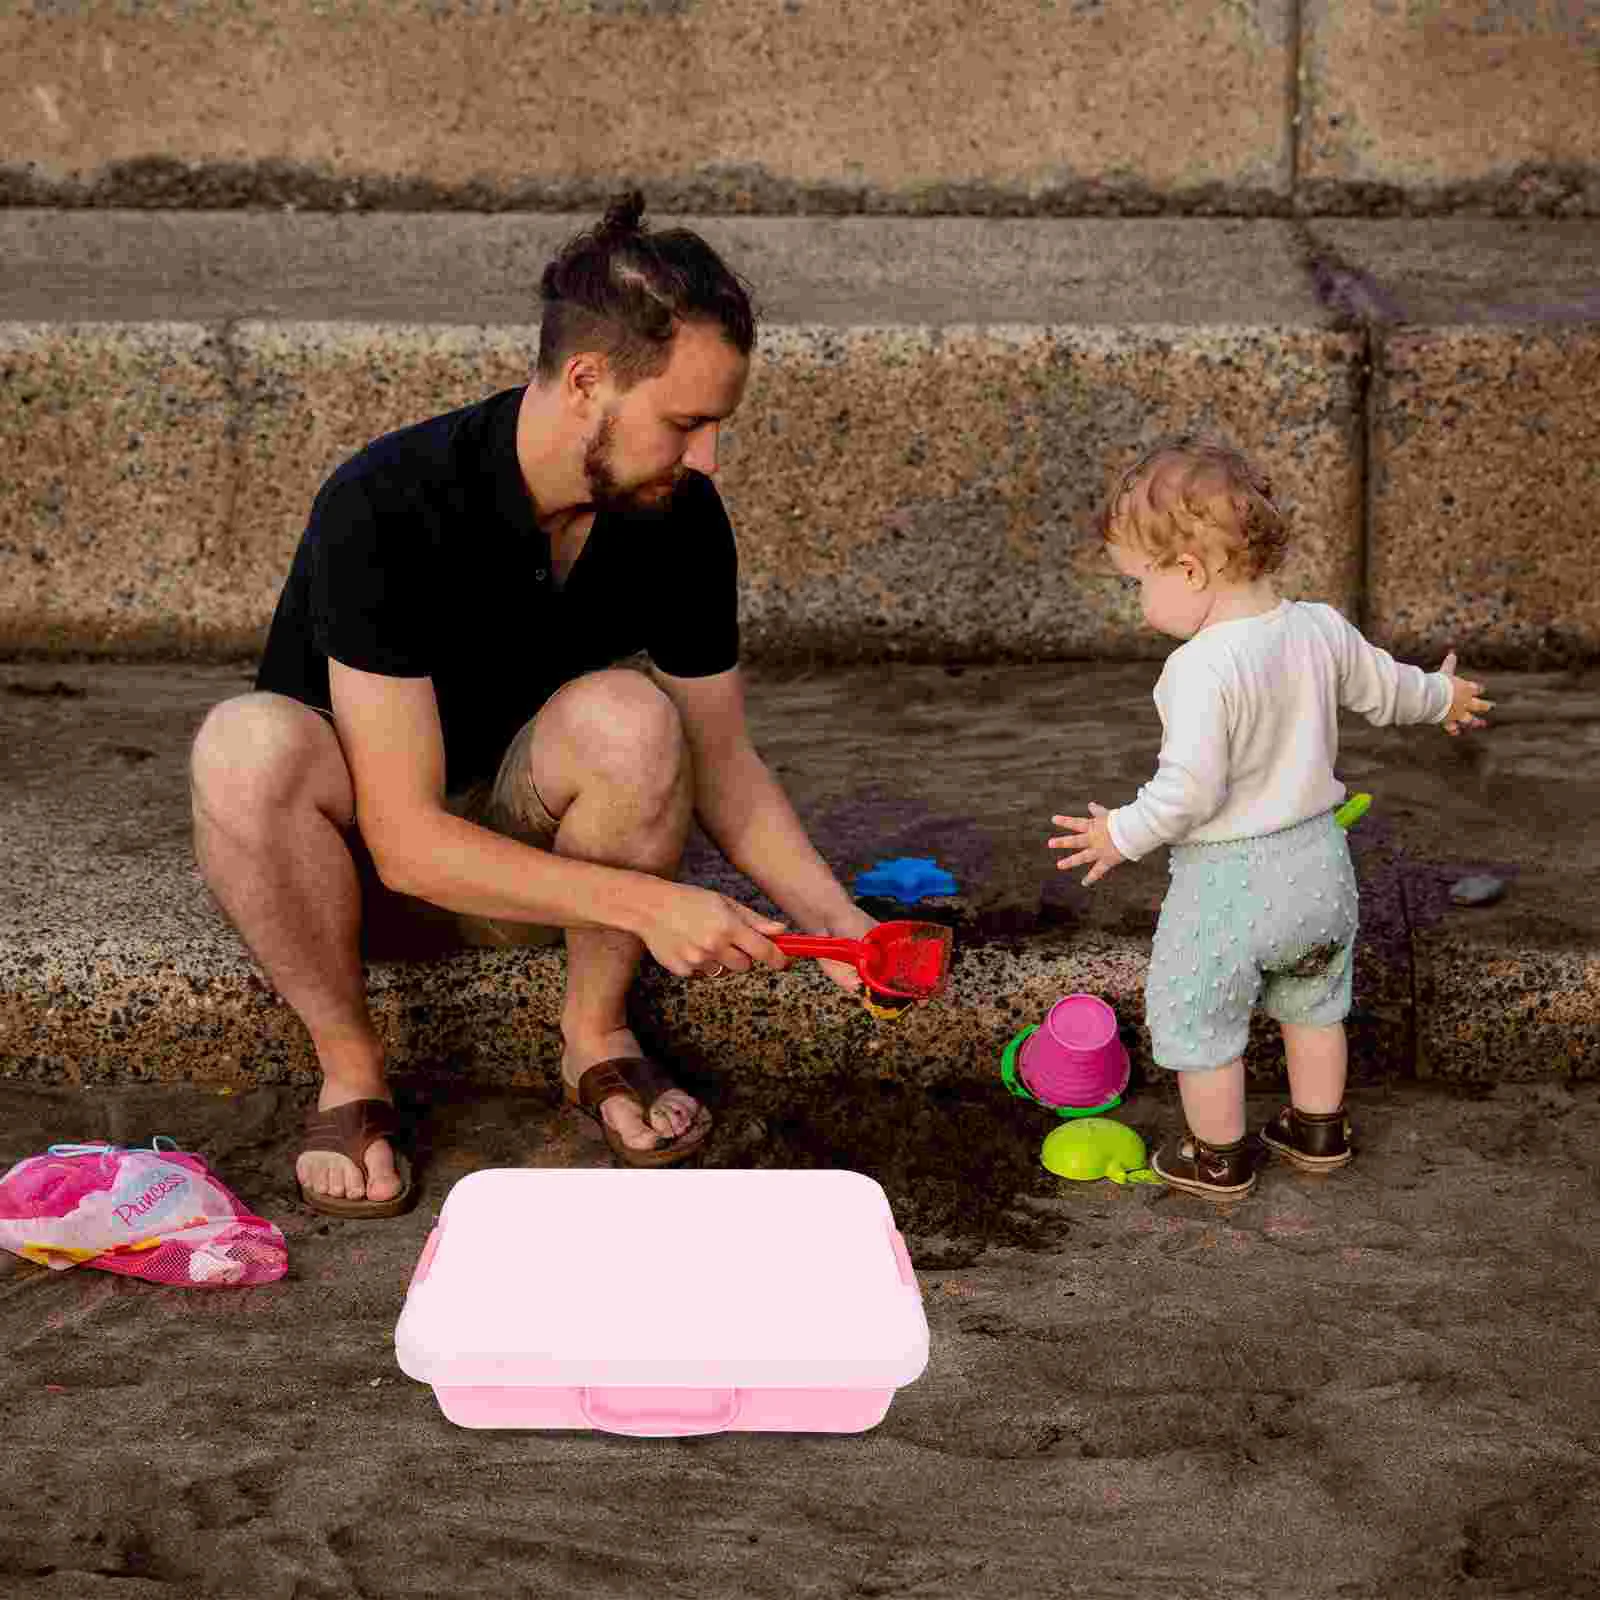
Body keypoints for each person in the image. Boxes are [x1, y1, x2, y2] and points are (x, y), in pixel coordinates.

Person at [189, 190, 876, 1214]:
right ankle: (351, 1067)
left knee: (634, 716)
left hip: (535, 865)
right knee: (244, 745)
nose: (706, 459)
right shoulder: (386, 502)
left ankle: (594, 1034)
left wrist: (842, 927)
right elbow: (406, 843)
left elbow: (723, 762)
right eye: (686, 423)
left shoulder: (676, 515)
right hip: (355, 875)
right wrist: (654, 904)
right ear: (588, 380)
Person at [1048, 439, 1493, 1198]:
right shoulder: (1317, 627)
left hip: (1230, 886)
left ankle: (1218, 1156)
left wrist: (1118, 834)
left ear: (1188, 571)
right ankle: (1319, 1128)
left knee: (1199, 1017)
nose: (1140, 601)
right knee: (1314, 1005)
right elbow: (1389, 689)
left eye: (1138, 583)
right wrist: (1443, 696)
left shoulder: (1197, 670)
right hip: (1321, 869)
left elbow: (1188, 791)